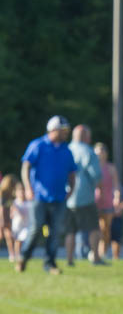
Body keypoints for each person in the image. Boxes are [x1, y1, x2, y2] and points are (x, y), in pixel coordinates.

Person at [18, 116, 77, 274]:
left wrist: (71, 189)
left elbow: (72, 172)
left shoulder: (66, 150)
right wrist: (28, 188)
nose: (66, 134)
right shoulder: (38, 145)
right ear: (53, 130)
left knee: (56, 231)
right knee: (36, 228)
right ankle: (23, 257)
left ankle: (50, 264)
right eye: (63, 130)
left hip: (59, 197)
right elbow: (26, 167)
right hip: (39, 196)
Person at [65, 125, 104, 266]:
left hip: (68, 197)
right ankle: (96, 258)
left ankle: (69, 260)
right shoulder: (88, 151)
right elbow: (96, 175)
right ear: (86, 137)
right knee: (94, 227)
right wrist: (99, 189)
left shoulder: (66, 150)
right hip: (85, 195)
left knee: (71, 230)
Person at [93, 143, 123, 261]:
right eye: (97, 151)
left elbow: (116, 185)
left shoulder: (111, 168)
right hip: (95, 202)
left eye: (102, 151)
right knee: (96, 229)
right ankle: (95, 251)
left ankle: (103, 252)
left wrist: (117, 197)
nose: (99, 154)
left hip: (107, 202)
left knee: (105, 229)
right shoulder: (92, 167)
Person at [0, 174, 17, 262]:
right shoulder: (2, 194)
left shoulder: (11, 194)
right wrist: (2, 222)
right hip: (4, 217)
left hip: (11, 217)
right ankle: (12, 254)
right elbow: (2, 209)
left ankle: (13, 254)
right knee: (5, 236)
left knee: (11, 236)